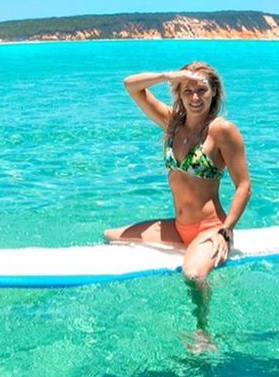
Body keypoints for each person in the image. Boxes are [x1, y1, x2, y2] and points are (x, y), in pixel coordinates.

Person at [105, 61, 252, 288]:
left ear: (213, 92)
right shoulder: (172, 123)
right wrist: (168, 76)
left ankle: (206, 312)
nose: (195, 98)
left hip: (210, 228)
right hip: (178, 227)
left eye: (202, 90)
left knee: (193, 276)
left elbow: (243, 186)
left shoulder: (222, 131)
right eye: (188, 91)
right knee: (111, 236)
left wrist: (226, 231)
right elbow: (130, 86)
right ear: (180, 94)